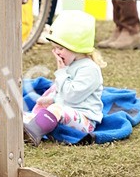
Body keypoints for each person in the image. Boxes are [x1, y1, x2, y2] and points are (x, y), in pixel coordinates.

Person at [23, 10, 104, 144]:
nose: (55, 52)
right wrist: (52, 98)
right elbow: (62, 94)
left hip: (84, 120)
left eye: (60, 48)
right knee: (38, 109)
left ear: (77, 48)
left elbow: (71, 96)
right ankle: (4, 121)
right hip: (66, 111)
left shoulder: (89, 70)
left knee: (56, 109)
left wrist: (61, 72)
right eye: (54, 48)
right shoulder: (72, 64)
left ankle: (33, 133)